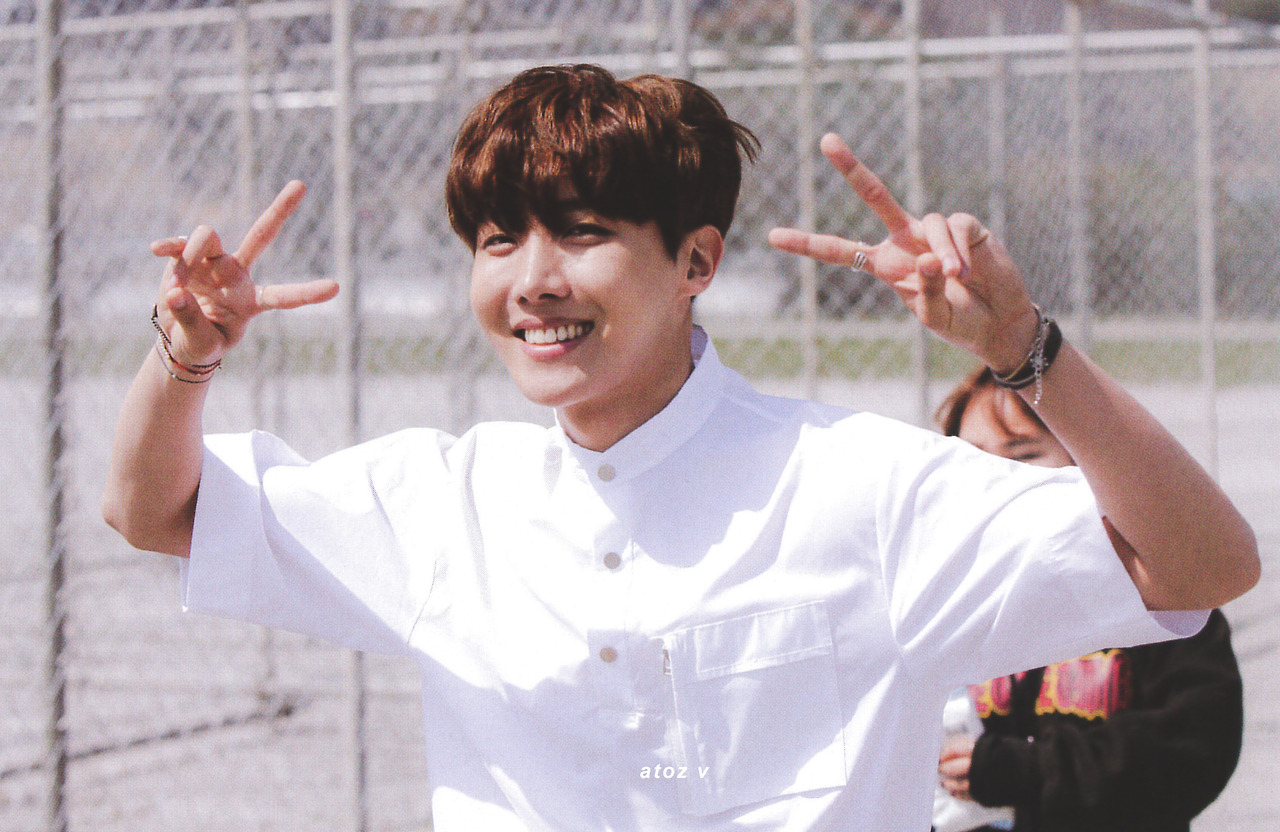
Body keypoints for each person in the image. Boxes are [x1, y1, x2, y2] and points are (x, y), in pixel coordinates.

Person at [100, 64, 1259, 832]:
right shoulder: (446, 502)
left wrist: (1021, 348)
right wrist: (184, 355)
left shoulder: (855, 484)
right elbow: (157, 510)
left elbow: (1201, 565)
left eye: (580, 232)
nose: (531, 279)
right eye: (497, 239)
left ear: (695, 261)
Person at [932, 368, 1244, 832]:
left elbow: (1196, 746)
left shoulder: (1155, 591)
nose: (997, 478)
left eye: (1025, 454)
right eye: (973, 458)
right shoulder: (939, 594)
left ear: (1087, 464)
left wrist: (1022, 771)